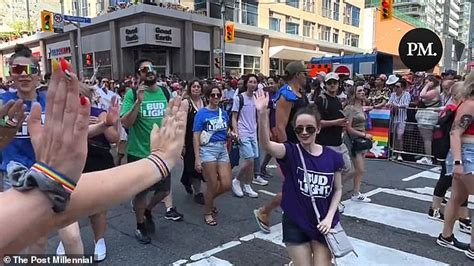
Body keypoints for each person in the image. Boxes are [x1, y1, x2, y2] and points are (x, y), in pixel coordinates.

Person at [0, 63, 189, 252]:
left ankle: (99, 240)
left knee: (51, 238)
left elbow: (109, 138)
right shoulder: (13, 102)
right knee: (66, 236)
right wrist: (161, 160)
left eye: (81, 97)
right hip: (44, 175)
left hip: (60, 172)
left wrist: (104, 125)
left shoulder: (91, 111)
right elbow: (30, 207)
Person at [0, 46, 84, 255]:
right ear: (11, 73)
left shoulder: (51, 100)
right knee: (20, 242)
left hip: (50, 174)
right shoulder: (3, 103)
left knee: (72, 237)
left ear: (38, 73)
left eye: (31, 70)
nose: (25, 75)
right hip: (14, 176)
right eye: (18, 69)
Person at [256, 90, 343, 266]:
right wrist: (263, 114)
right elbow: (266, 145)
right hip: (295, 222)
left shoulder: (333, 157)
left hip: (322, 223)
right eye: (299, 129)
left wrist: (329, 218)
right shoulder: (291, 151)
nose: (304, 132)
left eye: (310, 128)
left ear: (318, 128)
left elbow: (338, 189)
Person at [120, 58, 183, 245]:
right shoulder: (132, 94)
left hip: (162, 153)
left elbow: (172, 118)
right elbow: (125, 123)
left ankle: (147, 210)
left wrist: (177, 144)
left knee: (164, 191)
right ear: (138, 74)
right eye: (144, 69)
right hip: (139, 153)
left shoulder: (165, 91)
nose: (149, 71)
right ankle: (140, 225)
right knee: (140, 193)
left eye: (152, 67)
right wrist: (138, 103)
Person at [254, 62, 309, 233]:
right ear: (297, 75)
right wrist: (288, 152)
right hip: (292, 147)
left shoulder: (299, 93)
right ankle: (264, 211)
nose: (306, 76)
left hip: (303, 144)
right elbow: (280, 127)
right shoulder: (286, 95)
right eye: (304, 73)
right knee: (294, 186)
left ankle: (286, 213)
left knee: (300, 186)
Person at [437, 73, 474, 260]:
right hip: (467, 154)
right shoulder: (469, 104)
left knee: (457, 197)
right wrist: (458, 162)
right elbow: (455, 133)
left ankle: (446, 236)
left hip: (467, 154)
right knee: (457, 197)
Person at [429, 82, 471, 233]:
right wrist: (456, 159)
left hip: (452, 151)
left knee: (458, 190)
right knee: (448, 182)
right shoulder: (457, 108)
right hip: (453, 151)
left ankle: (462, 219)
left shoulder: (455, 107)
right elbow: (454, 133)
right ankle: (435, 208)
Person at [193, 85, 232, 226]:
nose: (215, 97)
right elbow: (196, 135)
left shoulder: (224, 113)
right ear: (208, 97)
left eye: (218, 95)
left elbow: (225, 131)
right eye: (213, 95)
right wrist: (197, 158)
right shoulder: (201, 114)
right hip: (207, 150)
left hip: (222, 148)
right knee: (212, 184)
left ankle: (208, 201)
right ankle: (208, 212)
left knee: (227, 184)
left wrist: (231, 134)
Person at [315, 72, 354, 208]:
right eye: (329, 83)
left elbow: (338, 120)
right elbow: (317, 122)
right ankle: (330, 198)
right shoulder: (321, 100)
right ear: (325, 85)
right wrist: (336, 122)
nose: (332, 85)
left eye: (334, 83)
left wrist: (343, 123)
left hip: (338, 142)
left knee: (347, 168)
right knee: (331, 172)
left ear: (338, 85)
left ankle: (332, 193)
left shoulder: (337, 100)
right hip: (326, 143)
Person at [231, 74, 267, 198]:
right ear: (246, 84)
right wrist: (236, 132)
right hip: (243, 132)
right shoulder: (239, 98)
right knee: (249, 159)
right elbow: (234, 116)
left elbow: (260, 115)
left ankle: (247, 185)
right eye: (250, 82)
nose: (253, 84)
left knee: (253, 160)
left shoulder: (257, 98)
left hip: (253, 132)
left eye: (255, 82)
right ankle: (236, 181)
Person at [342, 85, 373, 202]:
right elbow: (348, 128)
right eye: (359, 91)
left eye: (363, 90)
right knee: (358, 169)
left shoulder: (361, 106)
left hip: (360, 140)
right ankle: (335, 187)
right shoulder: (350, 108)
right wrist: (365, 135)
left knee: (359, 169)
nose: (363, 92)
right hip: (353, 140)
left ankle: (356, 193)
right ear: (353, 93)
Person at [181, 80, 205, 204]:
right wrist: (182, 143)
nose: (196, 89)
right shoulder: (186, 103)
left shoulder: (204, 102)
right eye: (194, 86)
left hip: (202, 138)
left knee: (194, 164)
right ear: (190, 89)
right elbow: (183, 123)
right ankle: (198, 192)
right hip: (189, 138)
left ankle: (185, 180)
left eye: (198, 87)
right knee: (192, 164)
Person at [415, 75, 441, 165]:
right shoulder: (432, 91)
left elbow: (422, 95)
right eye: (425, 82)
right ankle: (427, 155)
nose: (425, 84)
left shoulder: (434, 91)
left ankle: (428, 158)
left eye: (428, 82)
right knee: (426, 138)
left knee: (427, 138)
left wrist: (426, 86)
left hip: (428, 116)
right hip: (425, 116)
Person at [386, 78, 411, 161]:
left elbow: (406, 104)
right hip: (393, 118)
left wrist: (396, 106)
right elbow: (389, 103)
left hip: (401, 118)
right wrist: (390, 105)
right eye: (394, 86)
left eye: (397, 86)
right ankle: (393, 153)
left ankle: (399, 154)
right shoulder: (392, 94)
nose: (395, 88)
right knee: (393, 137)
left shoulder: (407, 94)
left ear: (402, 88)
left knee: (399, 137)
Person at [259, 76, 279, 178]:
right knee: (272, 149)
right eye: (269, 83)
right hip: (272, 126)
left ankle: (262, 168)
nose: (270, 85)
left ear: (277, 83)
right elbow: (266, 114)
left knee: (274, 149)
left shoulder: (280, 94)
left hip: (279, 125)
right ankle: (261, 168)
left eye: (272, 83)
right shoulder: (268, 96)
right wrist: (268, 129)